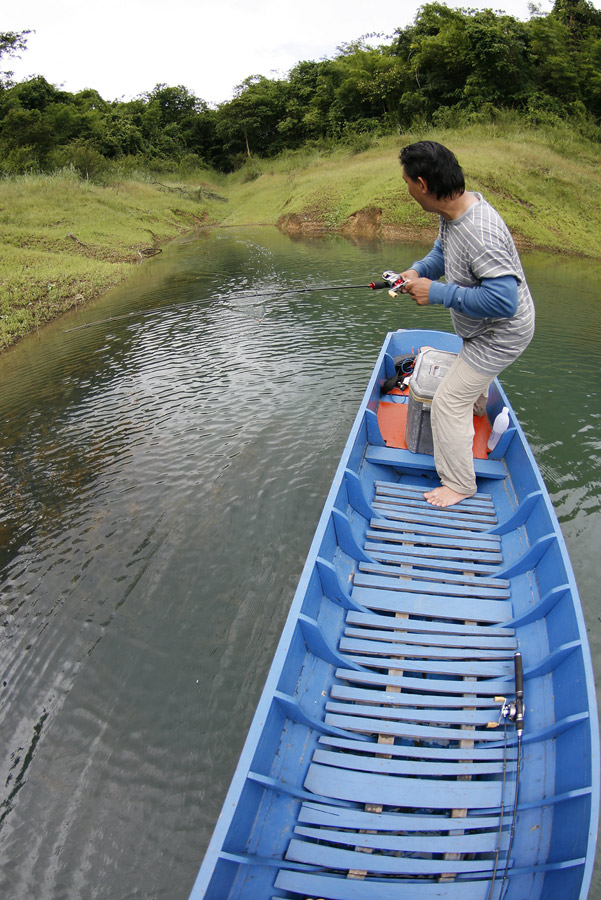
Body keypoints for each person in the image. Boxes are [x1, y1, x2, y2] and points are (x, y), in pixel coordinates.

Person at [397, 140, 535, 508]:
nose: (408, 190)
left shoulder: (480, 232)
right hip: (481, 329)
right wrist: (418, 271)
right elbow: (442, 252)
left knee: (446, 403)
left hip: (501, 334)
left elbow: (504, 301)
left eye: (408, 183)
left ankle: (460, 483)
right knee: (467, 382)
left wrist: (437, 293)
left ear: (423, 184)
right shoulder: (453, 212)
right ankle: (478, 405)